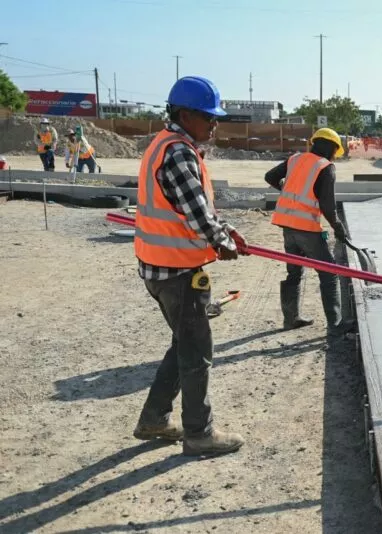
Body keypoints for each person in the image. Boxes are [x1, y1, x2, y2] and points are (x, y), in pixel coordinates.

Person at [133, 76, 248, 457]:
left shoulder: (163, 145)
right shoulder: (179, 152)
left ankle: (154, 419)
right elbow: (198, 216)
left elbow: (188, 207)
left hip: (159, 268)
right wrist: (223, 242)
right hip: (179, 273)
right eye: (208, 118)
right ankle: (199, 433)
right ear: (185, 114)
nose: (214, 125)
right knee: (197, 352)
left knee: (184, 343)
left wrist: (226, 230)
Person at [265, 127, 354, 339]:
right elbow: (327, 206)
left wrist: (287, 191)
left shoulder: (295, 159)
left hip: (286, 224)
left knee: (294, 273)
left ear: (314, 143)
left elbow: (270, 176)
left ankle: (290, 318)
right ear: (332, 148)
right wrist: (338, 227)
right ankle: (336, 323)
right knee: (329, 273)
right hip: (306, 229)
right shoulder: (326, 167)